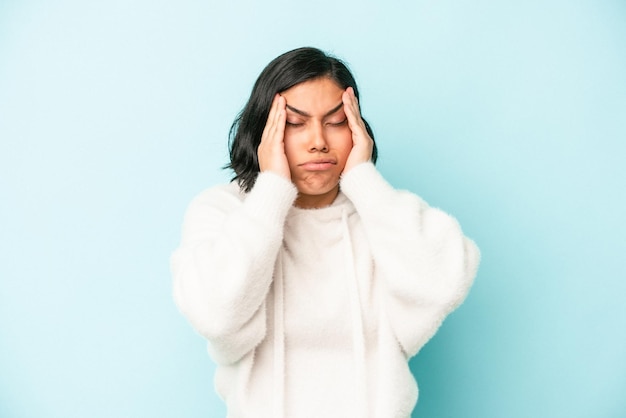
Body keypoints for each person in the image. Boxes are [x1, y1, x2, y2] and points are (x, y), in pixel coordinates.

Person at [171, 47, 480, 418]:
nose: (318, 140)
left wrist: (363, 180)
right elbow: (216, 315)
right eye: (295, 123)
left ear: (357, 130)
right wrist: (271, 190)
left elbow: (442, 284)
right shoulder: (225, 211)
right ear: (263, 132)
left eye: (335, 122)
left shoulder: (381, 212)